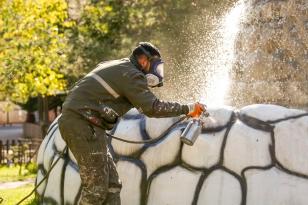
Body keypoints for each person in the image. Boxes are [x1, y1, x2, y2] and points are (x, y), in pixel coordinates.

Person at [58, 42, 205, 205]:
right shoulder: (131, 74)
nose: (156, 70)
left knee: (112, 185)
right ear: (143, 60)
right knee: (96, 190)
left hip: (84, 124)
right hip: (82, 124)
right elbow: (152, 107)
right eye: (155, 64)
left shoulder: (119, 67)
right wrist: (188, 108)